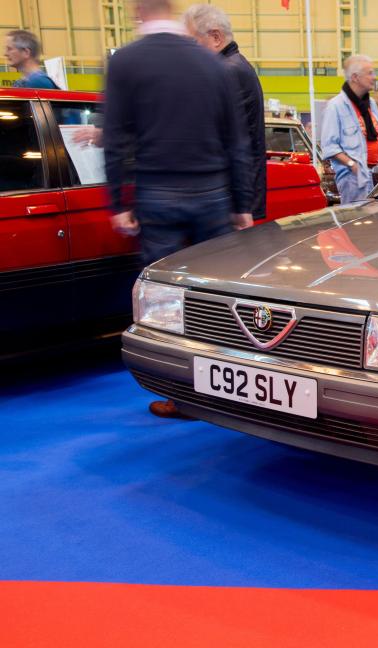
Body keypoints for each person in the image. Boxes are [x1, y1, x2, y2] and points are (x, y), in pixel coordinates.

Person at [103, 0, 253, 419]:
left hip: (158, 193)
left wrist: (118, 201)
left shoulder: (126, 62)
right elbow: (236, 143)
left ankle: (180, 396)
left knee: (167, 302)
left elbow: (116, 139)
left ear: (137, 13)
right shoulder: (211, 64)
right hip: (213, 194)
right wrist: (241, 205)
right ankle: (234, 393)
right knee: (218, 297)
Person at [183, 4, 267, 221]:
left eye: (192, 42)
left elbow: (223, 141)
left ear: (216, 37)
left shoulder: (228, 72)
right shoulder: (235, 67)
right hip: (234, 197)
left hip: (230, 200)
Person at [320, 54, 378, 204]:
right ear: (355, 77)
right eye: (370, 73)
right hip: (354, 178)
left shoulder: (371, 104)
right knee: (356, 223)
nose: (374, 77)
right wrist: (352, 165)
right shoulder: (336, 106)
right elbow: (329, 146)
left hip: (377, 176)